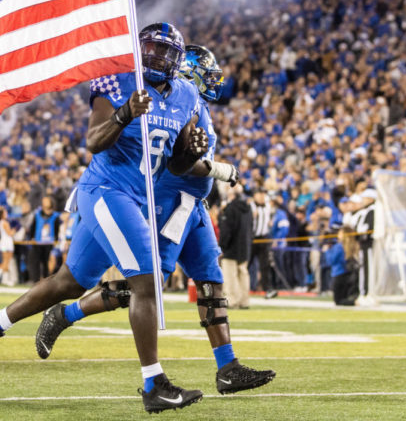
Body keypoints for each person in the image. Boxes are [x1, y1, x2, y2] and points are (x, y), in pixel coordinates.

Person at [0, 23, 210, 413]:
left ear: (178, 61)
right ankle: (154, 384)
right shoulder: (117, 77)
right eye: (152, 49)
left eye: (166, 53)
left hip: (133, 197)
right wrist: (126, 112)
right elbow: (94, 141)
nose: (158, 58)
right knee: (146, 281)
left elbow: (177, 166)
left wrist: (192, 153)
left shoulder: (187, 96)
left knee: (68, 283)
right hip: (106, 190)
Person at [34, 45, 275, 394]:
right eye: (204, 71)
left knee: (211, 282)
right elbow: (179, 161)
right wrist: (220, 169)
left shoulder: (193, 104)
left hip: (194, 204)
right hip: (166, 201)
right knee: (146, 287)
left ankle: (227, 367)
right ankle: (65, 315)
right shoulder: (176, 104)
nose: (210, 79)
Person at [219, 184, 253, 309]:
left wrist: (222, 246)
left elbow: (227, 230)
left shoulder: (230, 209)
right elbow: (251, 228)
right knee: (243, 274)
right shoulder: (248, 209)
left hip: (231, 247)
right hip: (245, 246)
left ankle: (232, 300)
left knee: (230, 275)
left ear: (232, 195)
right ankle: (244, 301)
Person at [325, 227, 359, 306]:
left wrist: (327, 251)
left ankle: (356, 303)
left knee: (338, 301)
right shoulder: (351, 246)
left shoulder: (339, 247)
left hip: (338, 274)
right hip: (347, 275)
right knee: (343, 298)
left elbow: (330, 261)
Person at [29, 196, 60, 282]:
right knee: (36, 262)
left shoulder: (55, 216)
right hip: (38, 242)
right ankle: (36, 280)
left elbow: (57, 229)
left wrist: (56, 240)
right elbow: (33, 227)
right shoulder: (38, 214)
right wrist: (31, 237)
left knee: (47, 262)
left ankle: (46, 280)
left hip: (49, 242)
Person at [0, 207, 15, 285]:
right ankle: (2, 278)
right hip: (6, 243)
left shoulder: (0, 222)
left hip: (4, 242)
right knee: (6, 261)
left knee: (6, 261)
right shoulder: (5, 222)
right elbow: (10, 233)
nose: (7, 214)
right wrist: (15, 230)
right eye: (5, 213)